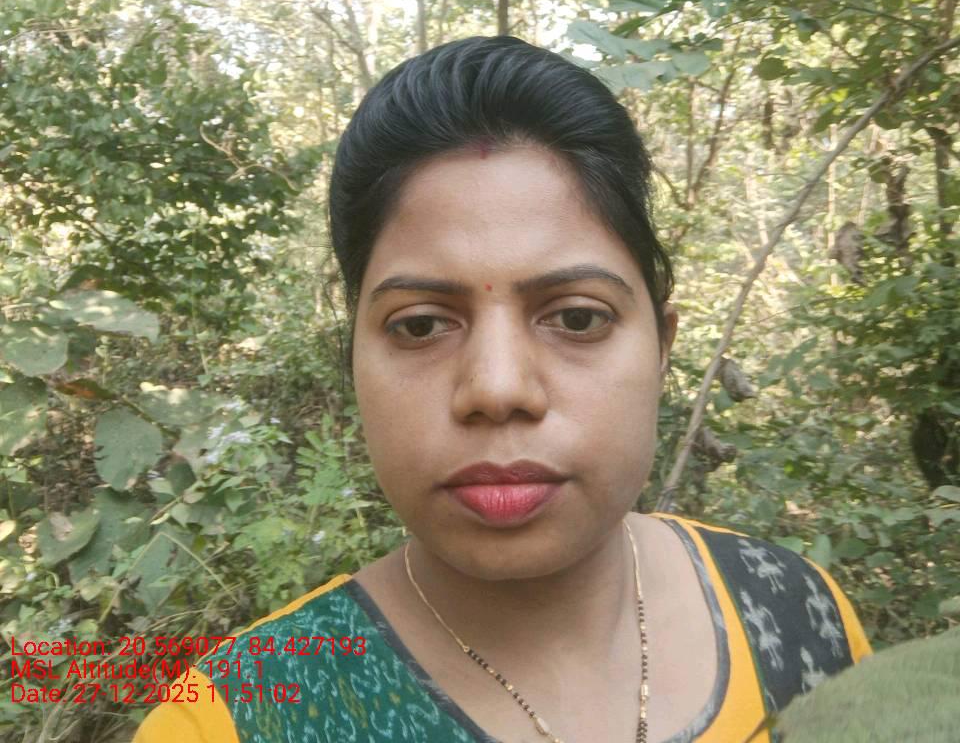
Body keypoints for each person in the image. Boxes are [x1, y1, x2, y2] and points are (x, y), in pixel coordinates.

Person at [134, 37, 871, 743]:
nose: (497, 388)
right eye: (420, 325)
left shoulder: (797, 612)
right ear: (351, 359)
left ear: (661, 347)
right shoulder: (236, 717)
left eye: (577, 317)